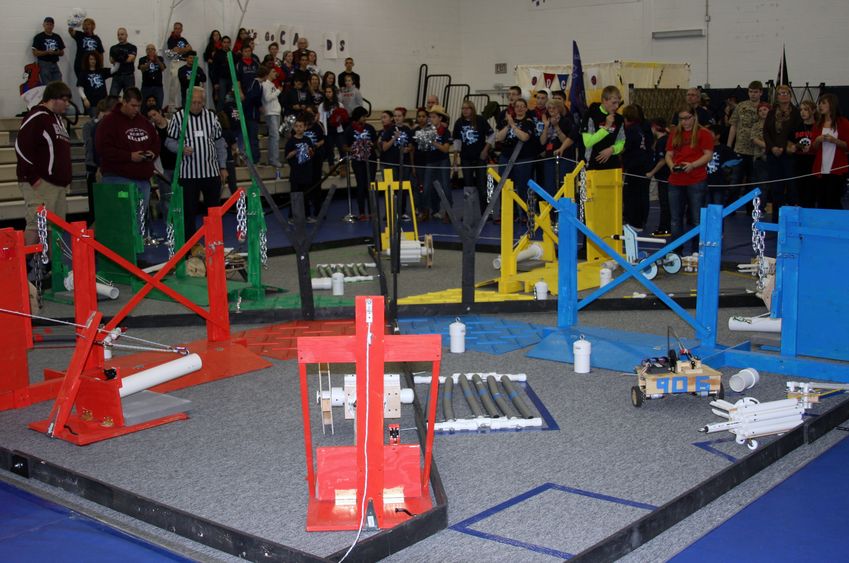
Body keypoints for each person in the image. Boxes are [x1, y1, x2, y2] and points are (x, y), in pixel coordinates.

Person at [165, 87, 229, 238]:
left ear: (204, 102)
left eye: (199, 102)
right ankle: (190, 246)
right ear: (187, 101)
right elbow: (169, 142)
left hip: (211, 172)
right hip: (188, 174)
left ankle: (214, 241)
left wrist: (223, 166)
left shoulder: (212, 117)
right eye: (193, 102)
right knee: (189, 212)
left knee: (213, 211)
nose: (196, 105)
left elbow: (220, 143)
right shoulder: (179, 117)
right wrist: (180, 149)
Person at [15, 81, 73, 246]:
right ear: (53, 99)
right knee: (36, 226)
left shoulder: (57, 120)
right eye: (65, 100)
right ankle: (22, 267)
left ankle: (51, 269)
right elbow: (21, 146)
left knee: (55, 228)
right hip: (41, 182)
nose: (67, 104)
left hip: (57, 183)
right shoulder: (38, 117)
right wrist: (32, 177)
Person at [95, 87, 160, 221]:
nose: (136, 109)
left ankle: (138, 242)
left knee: (139, 222)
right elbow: (103, 149)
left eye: (139, 106)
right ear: (124, 102)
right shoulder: (109, 122)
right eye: (133, 105)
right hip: (118, 178)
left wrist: (152, 153)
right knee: (122, 220)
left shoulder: (144, 122)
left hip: (142, 180)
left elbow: (156, 142)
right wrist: (129, 156)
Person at [665, 105, 714, 254]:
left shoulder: (704, 133)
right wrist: (672, 166)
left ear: (694, 117)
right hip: (676, 180)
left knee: (696, 218)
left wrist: (692, 165)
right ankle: (676, 250)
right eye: (682, 119)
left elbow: (708, 155)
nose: (685, 122)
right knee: (675, 218)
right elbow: (668, 154)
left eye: (688, 118)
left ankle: (696, 250)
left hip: (696, 179)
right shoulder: (674, 133)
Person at [763, 84, 802, 220]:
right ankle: (776, 218)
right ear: (777, 97)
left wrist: (785, 146)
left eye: (786, 93)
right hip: (773, 154)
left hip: (789, 155)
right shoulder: (772, 112)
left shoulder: (796, 113)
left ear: (790, 95)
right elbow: (766, 132)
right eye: (780, 93)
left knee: (792, 187)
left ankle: (793, 218)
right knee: (776, 188)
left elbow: (797, 133)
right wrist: (773, 147)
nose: (783, 95)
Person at [494, 98, 535, 221]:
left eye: (523, 106)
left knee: (523, 187)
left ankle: (525, 213)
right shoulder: (508, 121)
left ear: (526, 109)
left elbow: (524, 137)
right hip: (506, 157)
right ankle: (508, 213)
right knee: (505, 186)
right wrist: (508, 125)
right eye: (517, 106)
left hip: (523, 158)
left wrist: (513, 125)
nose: (520, 108)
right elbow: (498, 138)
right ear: (514, 108)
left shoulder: (528, 122)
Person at [452, 100, 493, 214]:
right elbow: (457, 141)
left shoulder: (480, 120)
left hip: (480, 158)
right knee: (468, 187)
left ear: (472, 109)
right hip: (466, 158)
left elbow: (492, 135)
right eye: (463, 108)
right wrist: (455, 160)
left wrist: (485, 149)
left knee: (482, 186)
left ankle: (485, 212)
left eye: (467, 108)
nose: (465, 110)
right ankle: (468, 213)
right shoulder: (459, 123)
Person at [726, 80, 764, 201]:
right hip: (740, 149)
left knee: (753, 182)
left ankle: (751, 209)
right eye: (750, 91)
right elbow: (733, 125)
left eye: (755, 92)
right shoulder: (741, 106)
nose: (753, 94)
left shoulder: (764, 108)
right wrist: (728, 146)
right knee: (735, 180)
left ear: (761, 93)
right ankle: (731, 207)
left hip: (756, 151)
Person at [811, 93, 849, 209]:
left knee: (834, 200)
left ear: (831, 105)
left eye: (823, 103)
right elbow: (814, 148)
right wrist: (817, 140)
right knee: (821, 200)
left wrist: (835, 141)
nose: (820, 106)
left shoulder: (843, 123)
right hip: (821, 168)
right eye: (819, 104)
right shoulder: (818, 124)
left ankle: (836, 225)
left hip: (837, 168)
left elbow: (847, 146)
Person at [417, 105, 453, 222]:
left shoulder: (445, 132)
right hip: (430, 161)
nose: (431, 119)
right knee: (426, 187)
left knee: (445, 187)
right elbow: (422, 148)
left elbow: (446, 149)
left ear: (440, 118)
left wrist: (432, 142)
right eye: (430, 117)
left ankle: (448, 212)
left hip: (443, 161)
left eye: (433, 117)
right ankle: (425, 211)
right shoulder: (426, 130)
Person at [621, 104, 653, 229]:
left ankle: (635, 222)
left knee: (633, 195)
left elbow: (625, 147)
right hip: (641, 164)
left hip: (635, 166)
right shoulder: (640, 129)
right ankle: (638, 221)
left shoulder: (631, 130)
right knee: (639, 194)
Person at [343, 106, 377, 220]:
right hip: (358, 161)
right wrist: (354, 149)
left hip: (370, 160)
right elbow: (344, 147)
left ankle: (372, 211)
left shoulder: (370, 128)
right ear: (358, 117)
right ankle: (362, 212)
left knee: (370, 185)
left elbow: (375, 143)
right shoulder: (349, 130)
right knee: (361, 186)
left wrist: (372, 145)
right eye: (363, 116)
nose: (365, 118)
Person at [144, 106, 177, 225]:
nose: (153, 118)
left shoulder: (173, 125)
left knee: (179, 197)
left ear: (160, 112)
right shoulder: (151, 131)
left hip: (179, 167)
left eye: (154, 114)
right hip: (162, 169)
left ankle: (180, 223)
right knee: (166, 198)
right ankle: (169, 224)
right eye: (150, 117)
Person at [580, 85, 625, 171]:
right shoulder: (591, 115)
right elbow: (588, 142)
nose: (616, 106)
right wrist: (606, 127)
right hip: (592, 165)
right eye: (614, 103)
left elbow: (622, 142)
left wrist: (612, 149)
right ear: (604, 100)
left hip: (612, 166)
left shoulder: (619, 119)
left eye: (618, 103)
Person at [381, 107, 414, 218]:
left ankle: (402, 211)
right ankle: (391, 211)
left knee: (403, 187)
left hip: (404, 162)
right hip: (392, 163)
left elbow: (411, 145)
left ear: (403, 117)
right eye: (395, 116)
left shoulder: (408, 130)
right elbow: (384, 147)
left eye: (399, 116)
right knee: (392, 188)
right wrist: (394, 138)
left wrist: (408, 149)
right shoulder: (389, 130)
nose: (397, 118)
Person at [540, 98, 577, 194]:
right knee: (549, 184)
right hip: (549, 156)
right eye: (549, 108)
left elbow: (566, 140)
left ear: (559, 109)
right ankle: (551, 207)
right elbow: (542, 142)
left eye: (554, 108)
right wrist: (546, 127)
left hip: (564, 156)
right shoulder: (547, 122)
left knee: (562, 182)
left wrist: (556, 126)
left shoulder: (566, 121)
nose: (551, 110)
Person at [285, 116, 316, 221]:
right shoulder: (291, 141)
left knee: (306, 195)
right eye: (297, 126)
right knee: (294, 194)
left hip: (306, 171)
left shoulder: (307, 140)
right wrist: (295, 152)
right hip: (296, 172)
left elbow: (312, 154)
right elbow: (287, 156)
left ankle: (307, 215)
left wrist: (310, 151)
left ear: (305, 128)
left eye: (301, 126)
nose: (299, 128)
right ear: (294, 128)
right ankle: (292, 216)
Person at [787, 100, 817, 208]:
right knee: (799, 192)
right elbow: (789, 141)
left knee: (811, 192)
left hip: (813, 162)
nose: (803, 112)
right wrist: (792, 147)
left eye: (806, 109)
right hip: (799, 162)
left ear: (813, 111)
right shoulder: (797, 126)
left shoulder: (818, 126)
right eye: (801, 110)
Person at [646, 118, 671, 236]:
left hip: (664, 177)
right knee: (666, 202)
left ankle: (665, 228)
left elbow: (662, 160)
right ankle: (666, 225)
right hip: (665, 176)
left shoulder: (662, 141)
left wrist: (651, 172)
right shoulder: (663, 139)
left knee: (665, 203)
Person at [302, 107, 326, 220]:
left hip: (316, 158)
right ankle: (305, 212)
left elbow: (323, 139)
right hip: (304, 160)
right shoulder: (300, 126)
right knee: (305, 186)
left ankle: (318, 211)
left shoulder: (318, 126)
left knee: (317, 186)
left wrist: (315, 145)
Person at [320, 86, 348, 174]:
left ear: (333, 93)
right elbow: (320, 119)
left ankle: (343, 167)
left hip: (338, 130)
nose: (328, 94)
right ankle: (331, 167)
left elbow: (344, 117)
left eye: (330, 92)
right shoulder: (322, 105)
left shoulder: (339, 104)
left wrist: (340, 120)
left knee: (342, 149)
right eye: (326, 92)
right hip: (328, 130)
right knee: (329, 149)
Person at [165, 22, 192, 110]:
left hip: (185, 62)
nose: (176, 30)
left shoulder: (183, 39)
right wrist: (184, 49)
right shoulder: (171, 39)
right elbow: (174, 51)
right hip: (176, 62)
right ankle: (171, 106)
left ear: (181, 30)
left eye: (178, 28)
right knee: (175, 83)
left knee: (186, 83)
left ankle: (185, 105)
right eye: (175, 28)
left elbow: (190, 49)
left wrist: (180, 50)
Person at [68, 17, 104, 82]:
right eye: (84, 25)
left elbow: (101, 53)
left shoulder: (96, 38)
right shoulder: (80, 35)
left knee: (90, 84)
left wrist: (101, 66)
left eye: (88, 24)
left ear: (93, 26)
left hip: (92, 66)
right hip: (80, 65)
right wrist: (74, 22)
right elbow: (71, 31)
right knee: (83, 84)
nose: (86, 26)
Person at [261, 66, 283, 168]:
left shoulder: (273, 84)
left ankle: (272, 158)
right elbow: (267, 98)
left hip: (276, 112)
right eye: (273, 71)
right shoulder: (265, 84)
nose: (275, 73)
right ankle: (274, 159)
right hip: (271, 113)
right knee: (275, 136)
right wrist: (278, 91)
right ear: (268, 73)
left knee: (273, 136)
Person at [32, 17, 66, 84]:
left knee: (59, 84)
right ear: (44, 25)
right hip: (44, 64)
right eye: (47, 24)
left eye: (51, 24)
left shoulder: (57, 37)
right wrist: (46, 52)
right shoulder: (38, 37)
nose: (49, 26)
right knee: (47, 85)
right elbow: (35, 52)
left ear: (53, 26)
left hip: (54, 63)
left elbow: (62, 53)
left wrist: (57, 52)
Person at [77, 52, 111, 117]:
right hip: (92, 103)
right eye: (91, 59)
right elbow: (80, 88)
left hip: (103, 102)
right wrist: (85, 99)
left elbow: (114, 70)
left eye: (94, 59)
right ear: (87, 60)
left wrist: (117, 61)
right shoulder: (83, 73)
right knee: (96, 120)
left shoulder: (101, 71)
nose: (93, 61)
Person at [107, 28, 137, 96]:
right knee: (112, 97)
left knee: (130, 97)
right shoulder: (113, 48)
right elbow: (111, 60)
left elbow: (130, 59)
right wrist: (124, 56)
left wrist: (118, 57)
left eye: (122, 34)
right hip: (117, 76)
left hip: (129, 76)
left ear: (126, 35)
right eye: (118, 35)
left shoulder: (132, 47)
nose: (120, 36)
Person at [138, 44, 166, 110]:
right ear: (146, 51)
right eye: (148, 49)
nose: (150, 50)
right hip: (146, 86)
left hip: (158, 86)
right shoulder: (142, 59)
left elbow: (162, 68)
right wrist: (150, 61)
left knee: (158, 105)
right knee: (144, 106)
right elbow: (142, 69)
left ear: (155, 50)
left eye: (152, 49)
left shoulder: (160, 58)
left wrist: (156, 59)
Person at [211, 36, 233, 110]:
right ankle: (220, 118)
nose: (226, 44)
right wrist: (215, 82)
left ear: (230, 44)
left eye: (228, 42)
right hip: (221, 79)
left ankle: (229, 117)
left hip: (232, 79)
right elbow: (214, 69)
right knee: (221, 98)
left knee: (231, 98)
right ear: (222, 43)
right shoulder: (217, 54)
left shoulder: (233, 54)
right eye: (224, 42)